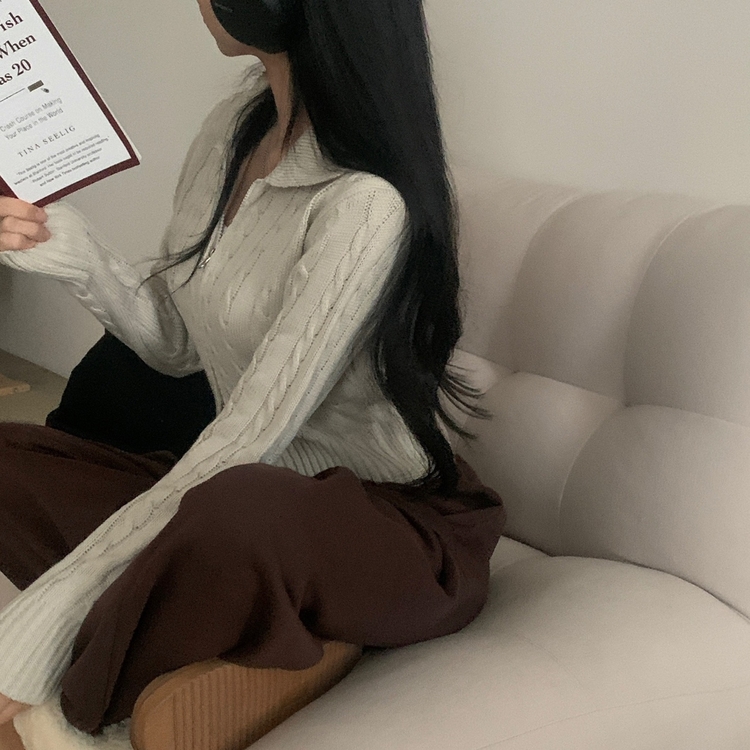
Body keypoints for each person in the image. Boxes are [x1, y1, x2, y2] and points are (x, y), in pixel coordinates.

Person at [0, 0, 505, 747]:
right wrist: (68, 248)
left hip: (386, 520)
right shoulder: (232, 136)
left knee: (235, 508)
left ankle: (81, 709)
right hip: (246, 492)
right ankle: (247, 627)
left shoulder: (365, 205)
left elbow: (249, 435)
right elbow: (178, 345)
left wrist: (34, 633)